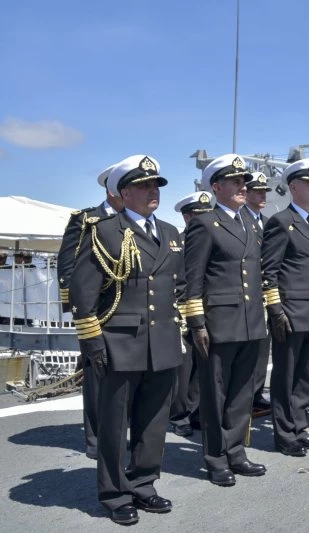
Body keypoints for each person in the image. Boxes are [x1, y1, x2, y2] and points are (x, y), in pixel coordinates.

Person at [70, 155, 182, 525]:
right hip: (120, 341)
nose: (153, 191)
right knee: (115, 425)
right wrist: (93, 343)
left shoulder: (169, 232)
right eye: (144, 186)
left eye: (156, 186)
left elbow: (174, 287)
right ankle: (115, 493)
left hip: (162, 340)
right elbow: (83, 294)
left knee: (153, 420)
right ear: (123, 192)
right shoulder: (104, 231)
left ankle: (143, 483)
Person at [184, 153, 267, 486]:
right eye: (235, 182)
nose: (242, 187)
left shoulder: (250, 223)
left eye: (243, 181)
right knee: (215, 395)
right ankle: (216, 458)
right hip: (218, 322)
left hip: (250, 321)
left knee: (242, 393)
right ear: (216, 187)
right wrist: (197, 323)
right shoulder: (205, 223)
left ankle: (236, 452)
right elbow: (192, 278)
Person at [56, 162, 124, 460]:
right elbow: (67, 264)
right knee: (97, 375)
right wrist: (78, 310)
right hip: (97, 312)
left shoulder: (137, 221)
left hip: (130, 311)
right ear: (112, 189)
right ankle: (96, 438)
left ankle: (124, 431)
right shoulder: (87, 220)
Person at [261, 159, 309, 456]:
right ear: (293, 187)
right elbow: (269, 271)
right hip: (290, 312)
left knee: (306, 376)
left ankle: (300, 427)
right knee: (285, 377)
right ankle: (284, 434)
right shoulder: (280, 222)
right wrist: (275, 310)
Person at [169, 191, 216, 438]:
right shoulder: (177, 242)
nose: (203, 219)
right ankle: (179, 416)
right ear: (187, 217)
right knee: (184, 369)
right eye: (198, 215)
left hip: (209, 311)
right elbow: (177, 280)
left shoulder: (213, 236)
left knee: (203, 365)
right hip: (185, 312)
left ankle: (197, 411)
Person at [242, 171, 273, 415]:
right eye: (257, 191)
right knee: (248, 352)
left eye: (264, 191)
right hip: (246, 295)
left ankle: (256, 393)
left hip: (265, 293)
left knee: (263, 348)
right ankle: (245, 396)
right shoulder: (240, 219)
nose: (262, 195)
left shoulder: (266, 222)